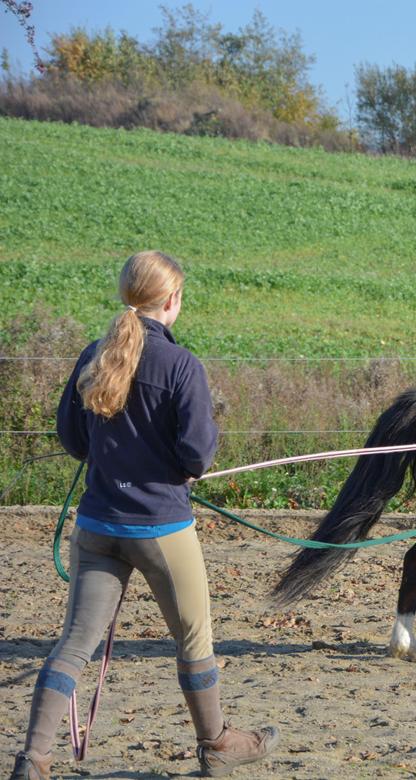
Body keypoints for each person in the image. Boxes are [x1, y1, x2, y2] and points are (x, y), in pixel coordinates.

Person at [10, 251, 278, 779]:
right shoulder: (181, 365)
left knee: (72, 646)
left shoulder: (94, 353)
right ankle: (218, 744)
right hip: (160, 529)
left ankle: (32, 760)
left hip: (97, 528)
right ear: (172, 299)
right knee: (195, 639)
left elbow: (72, 438)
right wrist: (180, 468)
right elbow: (197, 455)